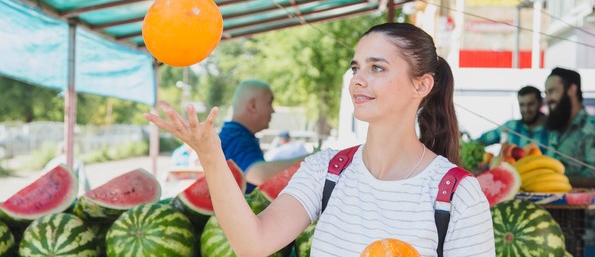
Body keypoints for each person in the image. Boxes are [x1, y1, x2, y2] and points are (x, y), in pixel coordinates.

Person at [144, 23, 494, 256]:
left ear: (422, 85)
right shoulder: (326, 171)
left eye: (377, 68)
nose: (357, 79)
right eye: (356, 67)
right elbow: (253, 244)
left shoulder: (457, 194)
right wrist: (210, 156)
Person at [544, 67, 595, 255]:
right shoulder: (555, 129)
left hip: (590, 233)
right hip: (554, 229)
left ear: (571, 90)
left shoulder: (594, 128)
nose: (548, 98)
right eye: (546, 93)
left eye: (552, 91)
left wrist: (555, 179)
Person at [216, 79, 304, 193]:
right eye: (269, 103)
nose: (273, 110)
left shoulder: (237, 134)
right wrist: (309, 159)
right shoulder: (236, 137)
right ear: (253, 106)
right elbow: (259, 175)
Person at [477, 85, 549, 148]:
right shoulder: (511, 126)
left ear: (540, 103)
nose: (526, 110)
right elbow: (483, 140)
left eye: (530, 104)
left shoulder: (551, 131)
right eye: (522, 105)